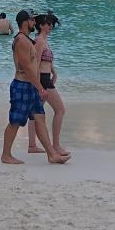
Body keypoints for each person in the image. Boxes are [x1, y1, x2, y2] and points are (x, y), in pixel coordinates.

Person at [1, 10, 67, 165]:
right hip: (22, 86)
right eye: (32, 20)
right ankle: (6, 155)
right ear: (26, 22)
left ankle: (52, 154)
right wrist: (40, 88)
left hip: (30, 86)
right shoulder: (21, 41)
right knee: (15, 121)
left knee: (40, 118)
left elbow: (34, 66)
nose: (34, 22)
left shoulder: (26, 40)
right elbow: (27, 68)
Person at [26, 13, 69, 157]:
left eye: (51, 24)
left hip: (46, 78)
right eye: (48, 24)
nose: (50, 26)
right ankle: (56, 146)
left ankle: (32, 145)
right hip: (42, 80)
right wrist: (38, 85)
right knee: (60, 110)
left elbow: (47, 61)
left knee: (35, 113)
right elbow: (36, 63)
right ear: (41, 25)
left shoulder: (44, 41)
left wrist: (54, 72)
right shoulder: (39, 41)